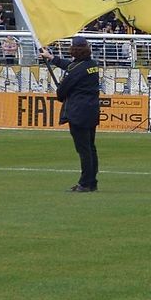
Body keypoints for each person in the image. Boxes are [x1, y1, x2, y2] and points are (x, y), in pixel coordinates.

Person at [40, 38, 100, 193]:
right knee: (90, 147)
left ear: (74, 50)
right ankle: (92, 181)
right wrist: (52, 58)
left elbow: (61, 93)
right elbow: (71, 66)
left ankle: (85, 183)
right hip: (91, 111)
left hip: (77, 112)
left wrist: (61, 88)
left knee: (83, 150)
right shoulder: (92, 65)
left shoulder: (76, 71)